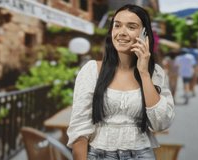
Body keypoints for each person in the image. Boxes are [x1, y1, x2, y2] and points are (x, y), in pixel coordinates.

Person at [66, 4, 175, 160]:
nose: (122, 33)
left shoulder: (155, 73)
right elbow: (79, 129)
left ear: (145, 34)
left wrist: (144, 73)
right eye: (117, 25)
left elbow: (161, 123)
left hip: (142, 154)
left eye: (131, 27)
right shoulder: (91, 70)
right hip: (98, 154)